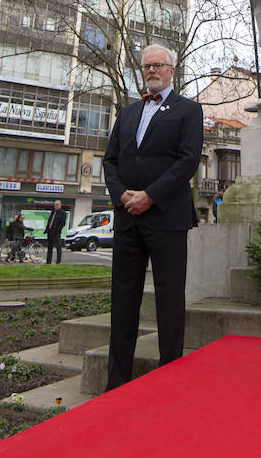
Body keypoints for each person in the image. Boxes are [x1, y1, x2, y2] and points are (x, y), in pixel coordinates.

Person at [102, 43, 204, 390]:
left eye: (158, 65)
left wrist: (151, 196)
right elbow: (110, 161)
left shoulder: (188, 110)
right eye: (146, 66)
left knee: (169, 299)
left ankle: (168, 381)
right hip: (128, 216)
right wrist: (122, 195)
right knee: (123, 298)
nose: (151, 71)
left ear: (172, 71)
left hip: (166, 217)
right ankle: (117, 381)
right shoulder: (128, 113)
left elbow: (187, 161)